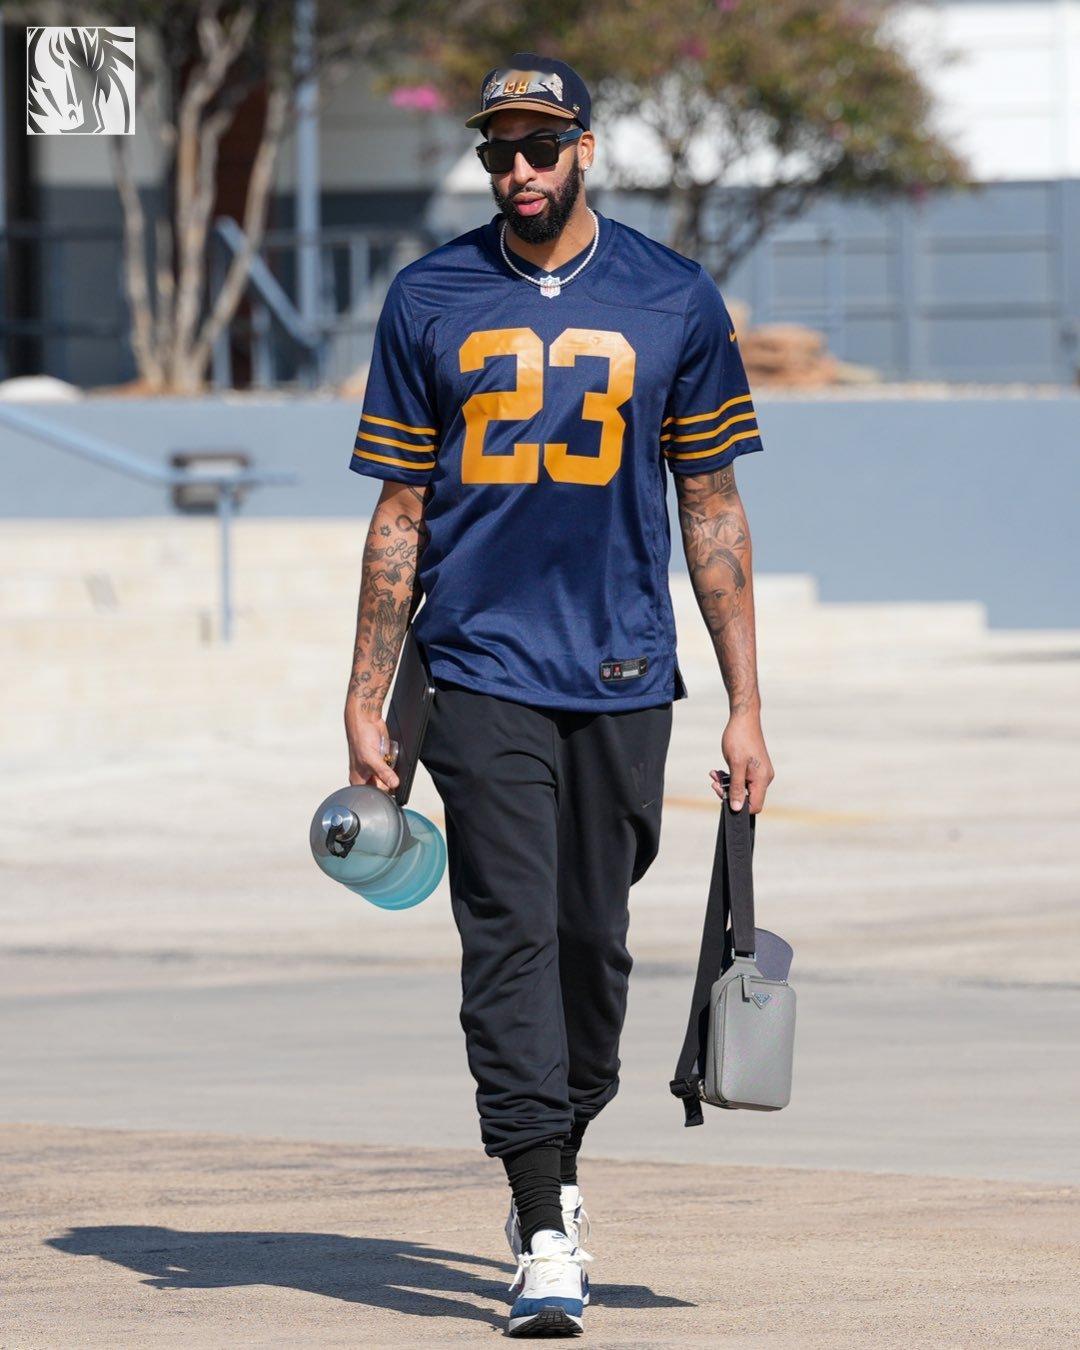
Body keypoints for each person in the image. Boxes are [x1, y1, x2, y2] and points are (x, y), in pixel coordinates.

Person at [343, 52, 775, 1339]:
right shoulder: (428, 296)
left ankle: (562, 1146)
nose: (519, 170)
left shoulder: (673, 295)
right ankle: (544, 1218)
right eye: (498, 150)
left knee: (592, 945)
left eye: (540, 145)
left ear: (585, 147)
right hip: (476, 668)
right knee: (510, 934)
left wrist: (746, 703)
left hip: (625, 671)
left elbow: (712, 508)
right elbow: (400, 510)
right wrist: (366, 691)